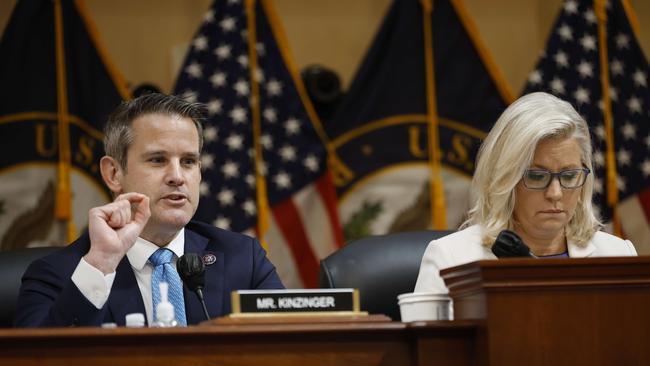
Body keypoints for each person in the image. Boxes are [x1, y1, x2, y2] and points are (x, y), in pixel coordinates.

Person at [14, 93, 284, 327]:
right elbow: (33, 359)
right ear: (114, 173)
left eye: (189, 161)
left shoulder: (243, 259)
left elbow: (290, 347)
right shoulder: (57, 274)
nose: (177, 176)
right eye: (158, 160)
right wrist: (101, 265)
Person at [414, 92, 637, 294]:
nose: (555, 193)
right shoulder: (449, 259)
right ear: (505, 180)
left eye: (569, 176)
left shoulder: (618, 255)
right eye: (537, 176)